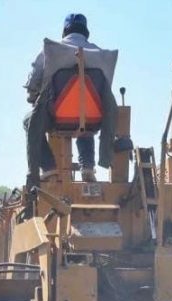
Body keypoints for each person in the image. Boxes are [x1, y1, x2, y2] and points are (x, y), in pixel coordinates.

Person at [24, 13, 120, 185]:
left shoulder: (51, 51)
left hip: (57, 117)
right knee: (85, 115)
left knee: (27, 121)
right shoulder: (100, 55)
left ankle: (48, 166)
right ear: (86, 31)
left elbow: (33, 82)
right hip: (93, 121)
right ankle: (88, 166)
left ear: (65, 30)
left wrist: (33, 94)